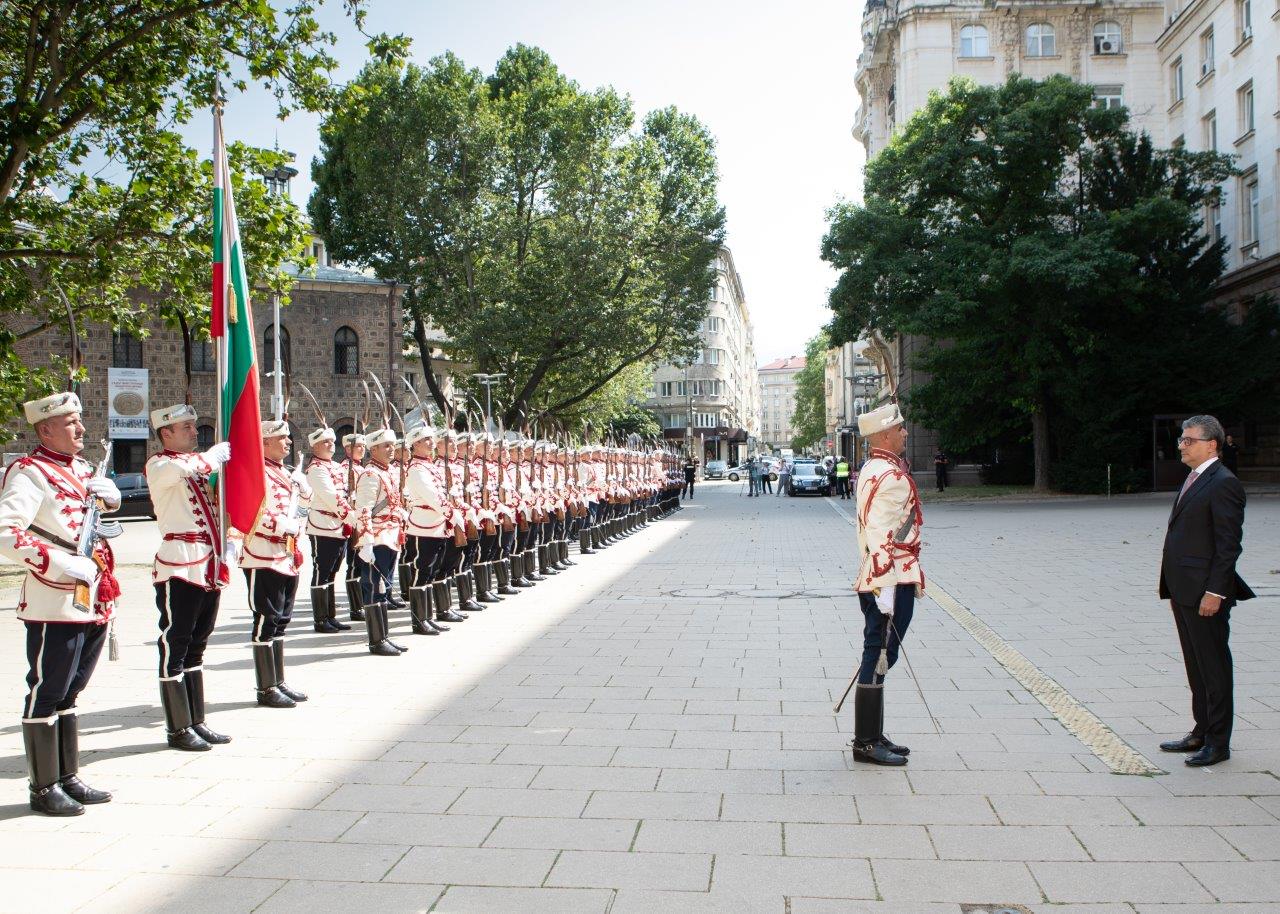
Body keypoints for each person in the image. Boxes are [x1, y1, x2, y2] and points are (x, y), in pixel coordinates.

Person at [1, 392, 119, 815]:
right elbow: (6, 531)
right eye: (71, 423)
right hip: (55, 596)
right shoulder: (29, 473)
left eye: (80, 421)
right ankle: (43, 786)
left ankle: (67, 776)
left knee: (72, 689)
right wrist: (60, 561)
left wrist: (110, 501)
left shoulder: (82, 469)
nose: (81, 429)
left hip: (92, 594)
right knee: (47, 689)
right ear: (45, 429)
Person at [1158, 415, 1253, 767]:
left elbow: (1228, 546)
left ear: (1211, 443)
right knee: (1196, 665)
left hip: (1205, 593)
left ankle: (1218, 742)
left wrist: (1216, 591)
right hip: (1184, 589)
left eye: (1188, 440)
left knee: (1213, 667)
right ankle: (1201, 729)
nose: (1182, 445)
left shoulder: (1223, 483)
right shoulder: (1196, 477)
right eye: (1181, 440)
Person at [147, 404, 234, 752]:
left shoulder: (197, 468)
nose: (194, 432)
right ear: (166, 433)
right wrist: (213, 458)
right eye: (186, 427)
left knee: (198, 644)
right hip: (180, 564)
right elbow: (188, 467)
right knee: (176, 643)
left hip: (207, 563)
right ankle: (177, 727)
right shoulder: (161, 465)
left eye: (194, 426)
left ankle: (197, 720)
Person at [850, 403, 923, 766]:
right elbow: (879, 532)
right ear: (883, 435)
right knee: (879, 653)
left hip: (880, 575)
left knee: (879, 652)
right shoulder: (891, 476)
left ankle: (873, 733)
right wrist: (886, 587)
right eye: (900, 428)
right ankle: (865, 742)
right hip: (889, 578)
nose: (905, 433)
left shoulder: (872, 468)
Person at [240, 420, 311, 707]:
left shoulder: (286, 472)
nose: (288, 442)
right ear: (266, 442)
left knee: (281, 620)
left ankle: (278, 681)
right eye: (282, 438)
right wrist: (280, 525)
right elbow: (250, 509)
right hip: (263, 554)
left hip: (286, 555)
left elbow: (303, 509)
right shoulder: (256, 472)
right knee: (265, 619)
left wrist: (305, 493)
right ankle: (265, 687)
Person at [354, 427, 410, 655]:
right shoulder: (370, 474)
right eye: (386, 446)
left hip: (390, 538)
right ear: (373, 448)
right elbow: (364, 509)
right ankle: (376, 641)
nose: (391, 450)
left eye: (392, 445)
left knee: (384, 586)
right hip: (376, 539)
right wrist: (366, 540)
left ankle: (383, 636)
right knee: (374, 586)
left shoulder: (388, 472)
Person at [304, 424, 353, 634]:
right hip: (323, 525)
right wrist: (352, 516)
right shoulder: (316, 469)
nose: (331, 445)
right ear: (315, 446)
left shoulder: (334, 466)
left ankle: (331, 616)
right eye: (325, 442)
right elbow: (331, 497)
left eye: (332, 441)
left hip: (338, 526)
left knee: (332, 572)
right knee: (322, 571)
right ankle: (320, 618)